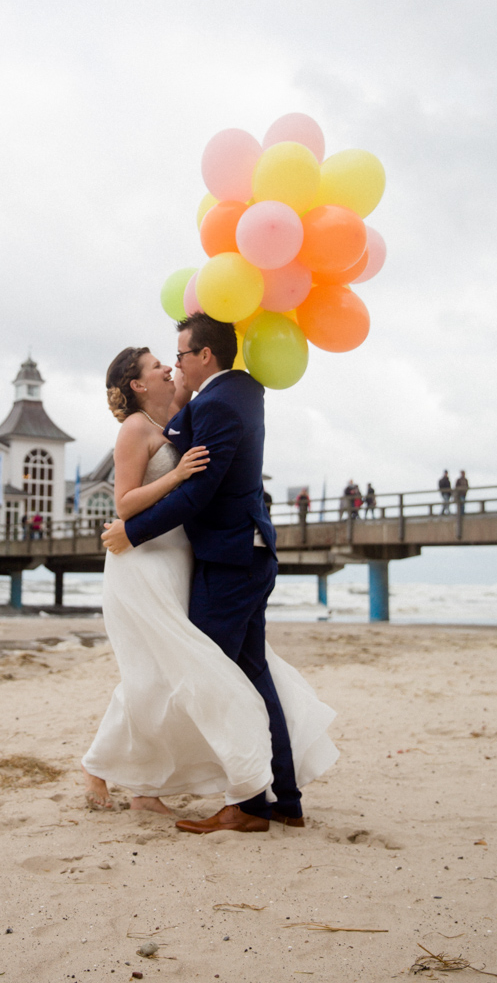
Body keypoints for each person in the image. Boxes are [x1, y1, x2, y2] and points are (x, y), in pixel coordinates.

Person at [98, 314, 337, 834]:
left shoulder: (219, 402)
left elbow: (199, 491)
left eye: (179, 356)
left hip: (230, 559)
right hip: (233, 556)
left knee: (205, 677)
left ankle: (248, 800)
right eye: (164, 362)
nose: (173, 365)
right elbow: (171, 444)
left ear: (205, 356)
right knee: (248, 674)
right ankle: (284, 799)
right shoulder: (232, 395)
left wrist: (131, 532)